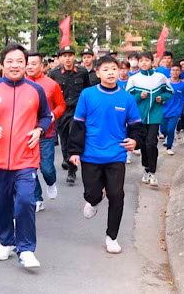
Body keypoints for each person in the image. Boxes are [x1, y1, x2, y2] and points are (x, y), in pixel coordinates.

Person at [0, 43, 52, 269]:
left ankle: (26, 249)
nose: (15, 65)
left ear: (26, 64)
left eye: (19, 61)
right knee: (3, 204)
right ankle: (6, 242)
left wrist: (39, 130)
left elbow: (46, 117)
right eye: (10, 61)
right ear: (2, 65)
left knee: (26, 200)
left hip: (26, 158)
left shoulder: (35, 90)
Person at [68, 55, 146, 254]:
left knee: (117, 195)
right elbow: (78, 124)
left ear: (119, 71)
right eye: (106, 69)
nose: (111, 73)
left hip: (116, 154)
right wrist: (74, 151)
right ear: (97, 73)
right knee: (92, 193)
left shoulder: (126, 98)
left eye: (113, 69)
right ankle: (94, 200)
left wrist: (135, 140)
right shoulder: (87, 95)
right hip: (90, 154)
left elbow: (136, 126)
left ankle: (112, 237)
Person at [26, 53, 66, 212]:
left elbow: (61, 105)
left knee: (46, 168)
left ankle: (51, 182)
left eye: (33, 63)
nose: (30, 66)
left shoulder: (51, 84)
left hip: (46, 133)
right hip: (26, 133)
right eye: (27, 63)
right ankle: (37, 199)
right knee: (29, 170)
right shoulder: (20, 83)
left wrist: (53, 115)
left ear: (42, 66)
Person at [126, 52, 173, 187]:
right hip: (139, 117)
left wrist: (162, 98)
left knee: (151, 143)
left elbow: (169, 91)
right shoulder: (134, 79)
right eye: (141, 61)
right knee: (144, 145)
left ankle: (152, 172)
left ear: (152, 62)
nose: (144, 63)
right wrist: (139, 96)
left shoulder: (160, 77)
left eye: (147, 60)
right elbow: (128, 98)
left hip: (154, 115)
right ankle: (146, 169)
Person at [49, 45, 91, 184]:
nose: (68, 58)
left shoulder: (82, 72)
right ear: (60, 58)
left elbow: (87, 91)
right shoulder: (54, 74)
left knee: (74, 137)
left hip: (77, 110)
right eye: (65, 56)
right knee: (64, 138)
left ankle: (72, 170)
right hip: (61, 110)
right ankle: (67, 158)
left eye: (70, 55)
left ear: (74, 57)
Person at [160, 63, 184, 155]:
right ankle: (167, 137)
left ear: (180, 72)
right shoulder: (164, 84)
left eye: (177, 70)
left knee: (171, 129)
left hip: (176, 111)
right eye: (173, 70)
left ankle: (169, 147)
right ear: (170, 71)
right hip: (163, 110)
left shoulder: (183, 85)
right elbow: (158, 94)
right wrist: (160, 99)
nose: (175, 72)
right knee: (163, 130)